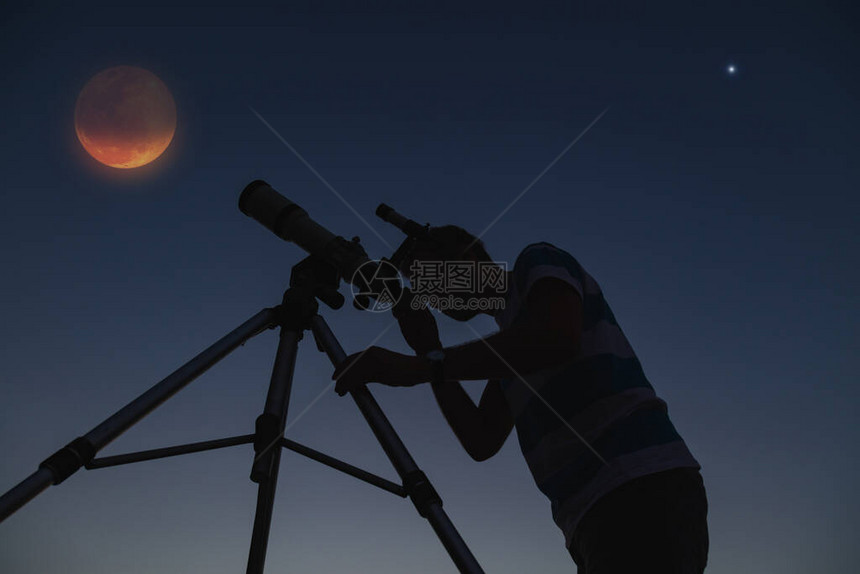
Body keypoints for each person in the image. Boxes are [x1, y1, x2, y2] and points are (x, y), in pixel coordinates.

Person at [333, 226, 709, 573]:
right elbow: (481, 439)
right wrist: (428, 347)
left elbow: (554, 340)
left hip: (638, 486)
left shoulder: (538, 260)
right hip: (588, 516)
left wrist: (423, 368)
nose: (430, 292)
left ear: (469, 256)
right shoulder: (512, 347)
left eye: (430, 275)